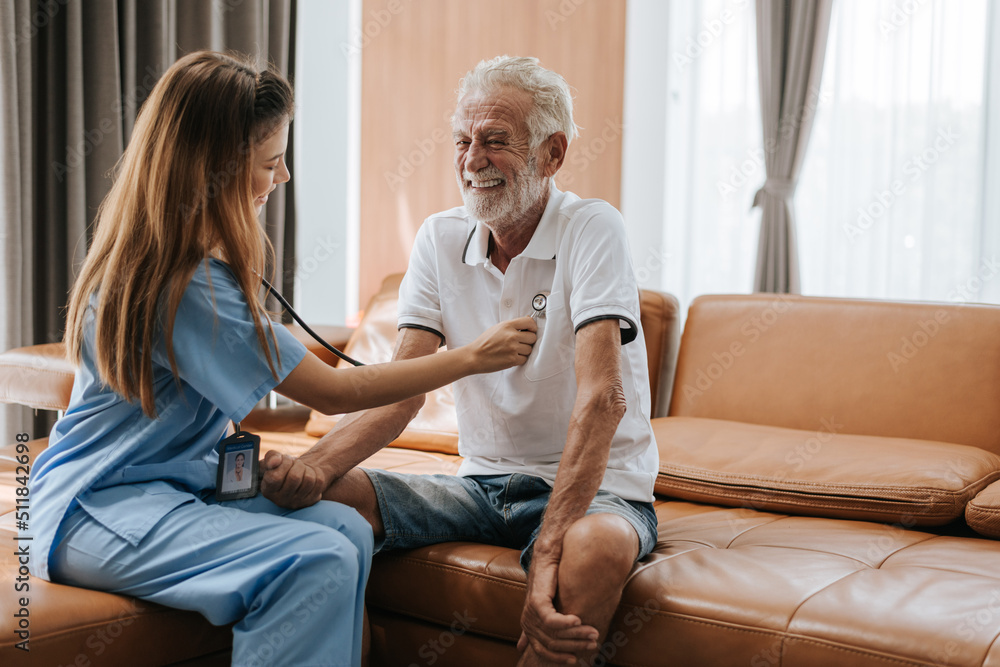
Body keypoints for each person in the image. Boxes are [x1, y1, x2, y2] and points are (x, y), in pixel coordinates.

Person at [28, 50, 536, 667]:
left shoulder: (181, 266)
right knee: (316, 558)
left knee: (345, 529)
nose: (284, 176)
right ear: (214, 170)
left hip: (168, 489)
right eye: (271, 161)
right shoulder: (186, 288)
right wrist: (471, 357)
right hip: (95, 508)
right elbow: (334, 393)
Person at [262, 55, 659, 667]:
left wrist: (549, 550)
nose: (472, 160)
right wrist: (313, 467)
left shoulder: (592, 228)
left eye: (496, 142)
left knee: (593, 551)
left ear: (552, 154)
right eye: (462, 141)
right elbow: (401, 390)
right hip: (480, 485)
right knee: (329, 499)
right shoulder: (439, 237)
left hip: (599, 492)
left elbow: (602, 397)